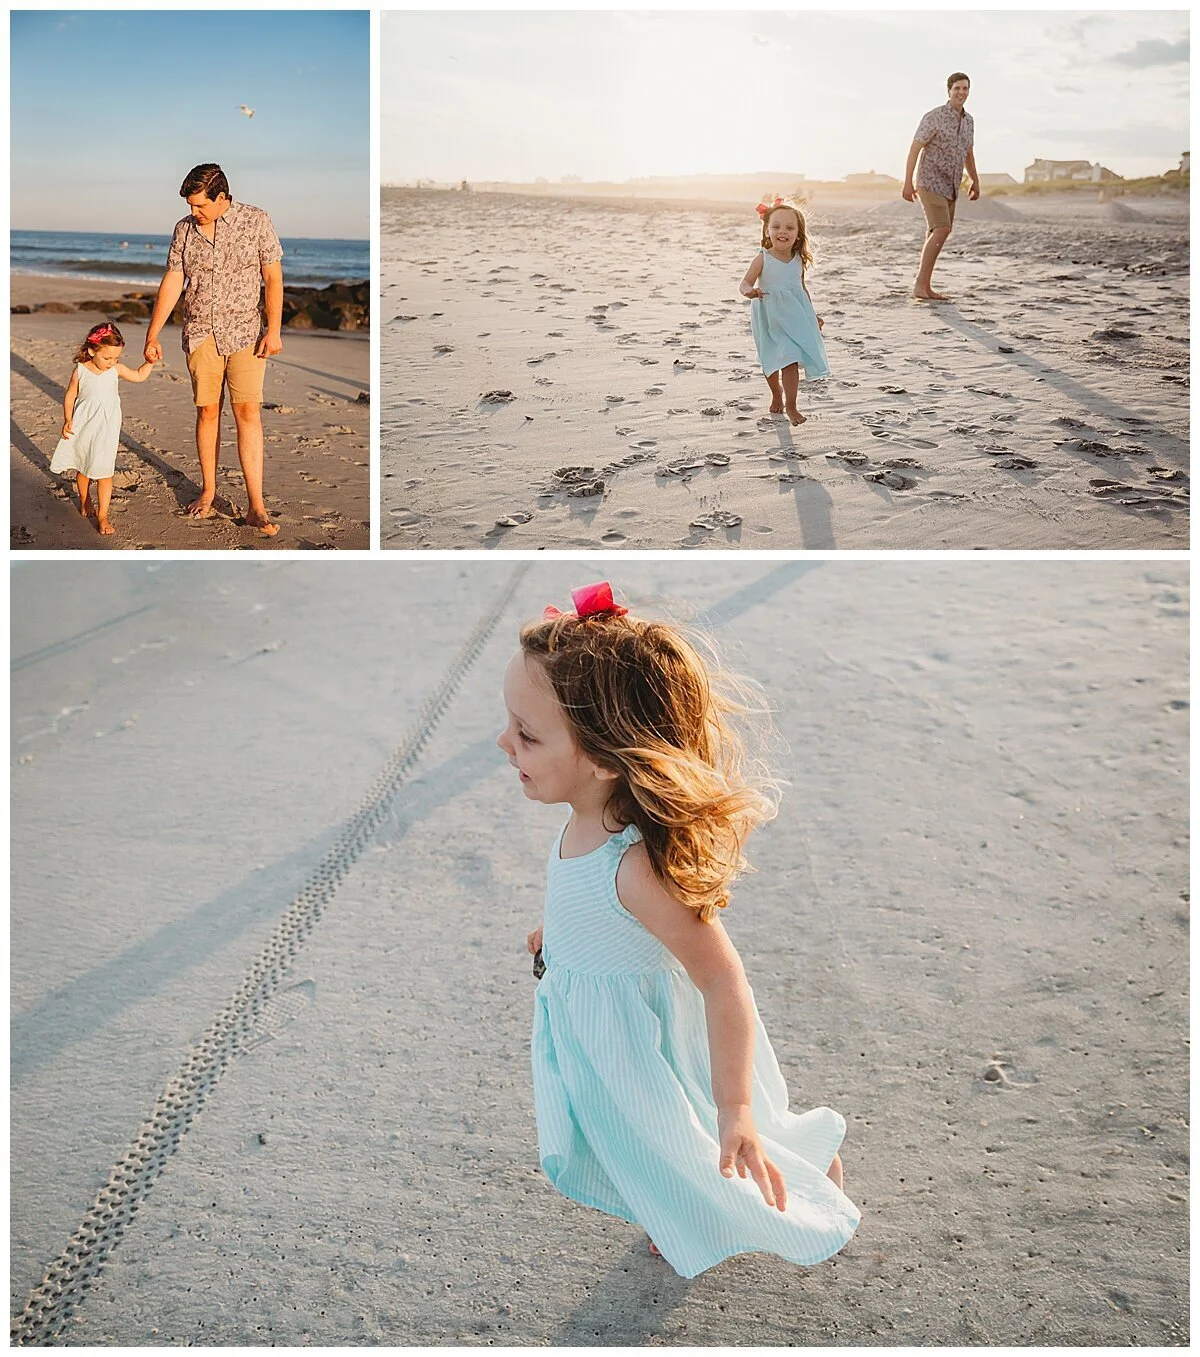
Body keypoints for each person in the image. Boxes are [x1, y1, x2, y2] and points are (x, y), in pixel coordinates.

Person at [497, 581, 861, 1279]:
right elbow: (587, 899)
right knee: (639, 1141)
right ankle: (675, 1201)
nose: (502, 742)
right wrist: (558, 933)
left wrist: (737, 1106)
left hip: (655, 1044)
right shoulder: (582, 824)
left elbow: (723, 980)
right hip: (603, 1036)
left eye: (527, 734)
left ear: (604, 758)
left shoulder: (637, 869)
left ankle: (805, 1164)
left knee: (680, 1133)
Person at [144, 163, 283, 536]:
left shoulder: (257, 221)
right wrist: (152, 334)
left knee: (247, 412)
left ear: (222, 198)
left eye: (200, 205)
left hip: (245, 334)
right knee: (207, 411)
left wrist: (274, 330)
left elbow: (272, 277)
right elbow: (174, 279)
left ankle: (256, 505)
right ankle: (208, 490)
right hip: (200, 333)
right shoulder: (184, 230)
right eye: (190, 205)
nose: (194, 212)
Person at [50, 322, 156, 536]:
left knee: (105, 471)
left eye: (116, 358)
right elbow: (70, 396)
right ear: (92, 351)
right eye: (107, 358)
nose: (112, 362)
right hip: (84, 425)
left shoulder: (116, 369)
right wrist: (67, 419)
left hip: (107, 428)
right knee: (83, 467)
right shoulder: (81, 370)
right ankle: (85, 499)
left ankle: (103, 516)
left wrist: (149, 362)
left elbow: (138, 375)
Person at [739, 198, 828, 426]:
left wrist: (812, 316)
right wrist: (749, 291)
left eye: (789, 227)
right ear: (767, 230)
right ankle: (776, 393)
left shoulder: (798, 260)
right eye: (776, 226)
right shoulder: (763, 258)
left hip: (793, 319)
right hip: (768, 318)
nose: (782, 231)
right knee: (770, 359)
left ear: (798, 234)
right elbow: (745, 282)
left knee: (791, 359)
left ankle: (792, 406)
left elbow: (802, 290)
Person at [902, 72, 980, 300]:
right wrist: (907, 182)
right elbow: (915, 148)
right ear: (949, 91)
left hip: (952, 184)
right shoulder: (934, 116)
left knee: (936, 232)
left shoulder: (969, 121)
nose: (961, 92)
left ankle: (925, 287)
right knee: (942, 229)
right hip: (929, 181)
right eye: (957, 88)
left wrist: (975, 180)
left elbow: (968, 153)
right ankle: (919, 285)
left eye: (965, 88)